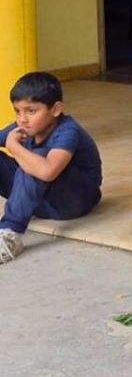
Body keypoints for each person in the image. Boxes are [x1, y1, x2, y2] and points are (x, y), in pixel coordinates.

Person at [0, 71, 102, 264]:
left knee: (38, 160)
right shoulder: (23, 127)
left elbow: (48, 171)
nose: (22, 119)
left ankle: (9, 233)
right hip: (40, 201)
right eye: (17, 111)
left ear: (55, 109)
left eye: (31, 111)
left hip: (73, 202)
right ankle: (17, 215)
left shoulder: (68, 130)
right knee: (31, 162)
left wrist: (13, 146)